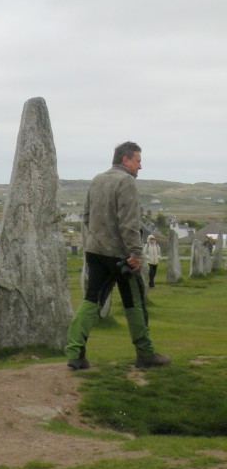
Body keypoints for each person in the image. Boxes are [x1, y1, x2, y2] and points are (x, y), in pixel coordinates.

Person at [65, 141, 170, 370]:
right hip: (121, 255)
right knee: (135, 302)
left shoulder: (97, 179)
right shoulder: (126, 182)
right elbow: (130, 222)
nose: (140, 167)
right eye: (138, 161)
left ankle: (75, 353)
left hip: (95, 250)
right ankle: (145, 353)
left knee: (92, 299)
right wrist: (135, 253)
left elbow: (85, 216)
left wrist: (97, 238)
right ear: (126, 159)